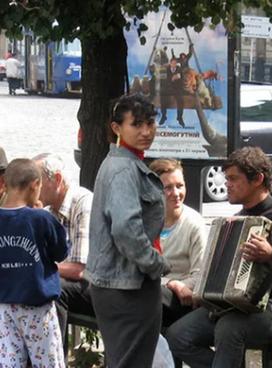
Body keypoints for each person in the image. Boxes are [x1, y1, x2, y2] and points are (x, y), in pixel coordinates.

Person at [166, 146, 272, 368]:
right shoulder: (234, 222)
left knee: (229, 327)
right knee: (178, 335)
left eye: (233, 178)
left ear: (258, 179)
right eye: (227, 178)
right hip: (228, 307)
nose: (227, 184)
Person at [85, 94, 171, 368]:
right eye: (137, 125)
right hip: (127, 287)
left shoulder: (123, 164)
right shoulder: (123, 169)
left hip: (121, 284)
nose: (146, 132)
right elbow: (126, 229)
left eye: (150, 123)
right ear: (117, 128)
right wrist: (155, 264)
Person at [0, 158, 68, 367]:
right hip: (37, 306)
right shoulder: (41, 219)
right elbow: (61, 252)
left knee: (10, 362)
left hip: (4, 305)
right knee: (49, 361)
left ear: (5, 183)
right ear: (35, 185)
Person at [32, 153, 94, 349]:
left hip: (98, 285)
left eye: (38, 182)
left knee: (52, 288)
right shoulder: (49, 212)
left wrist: (41, 268)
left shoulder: (84, 203)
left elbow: (79, 269)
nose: (33, 188)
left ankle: (54, 359)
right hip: (73, 284)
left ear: (57, 179)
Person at [149, 158, 207, 327]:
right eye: (167, 188)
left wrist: (175, 285)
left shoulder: (194, 223)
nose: (176, 193)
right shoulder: (145, 221)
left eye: (180, 186)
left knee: (150, 296)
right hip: (153, 291)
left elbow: (200, 276)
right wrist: (170, 283)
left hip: (182, 299)